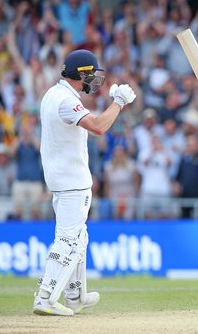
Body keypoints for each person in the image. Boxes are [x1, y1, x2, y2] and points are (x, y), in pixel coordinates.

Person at [33, 49, 136, 316]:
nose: (95, 80)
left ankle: (75, 295)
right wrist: (119, 103)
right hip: (71, 182)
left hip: (62, 179)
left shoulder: (54, 94)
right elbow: (100, 127)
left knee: (79, 238)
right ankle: (45, 296)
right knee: (68, 239)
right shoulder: (66, 100)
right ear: (81, 74)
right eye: (92, 74)